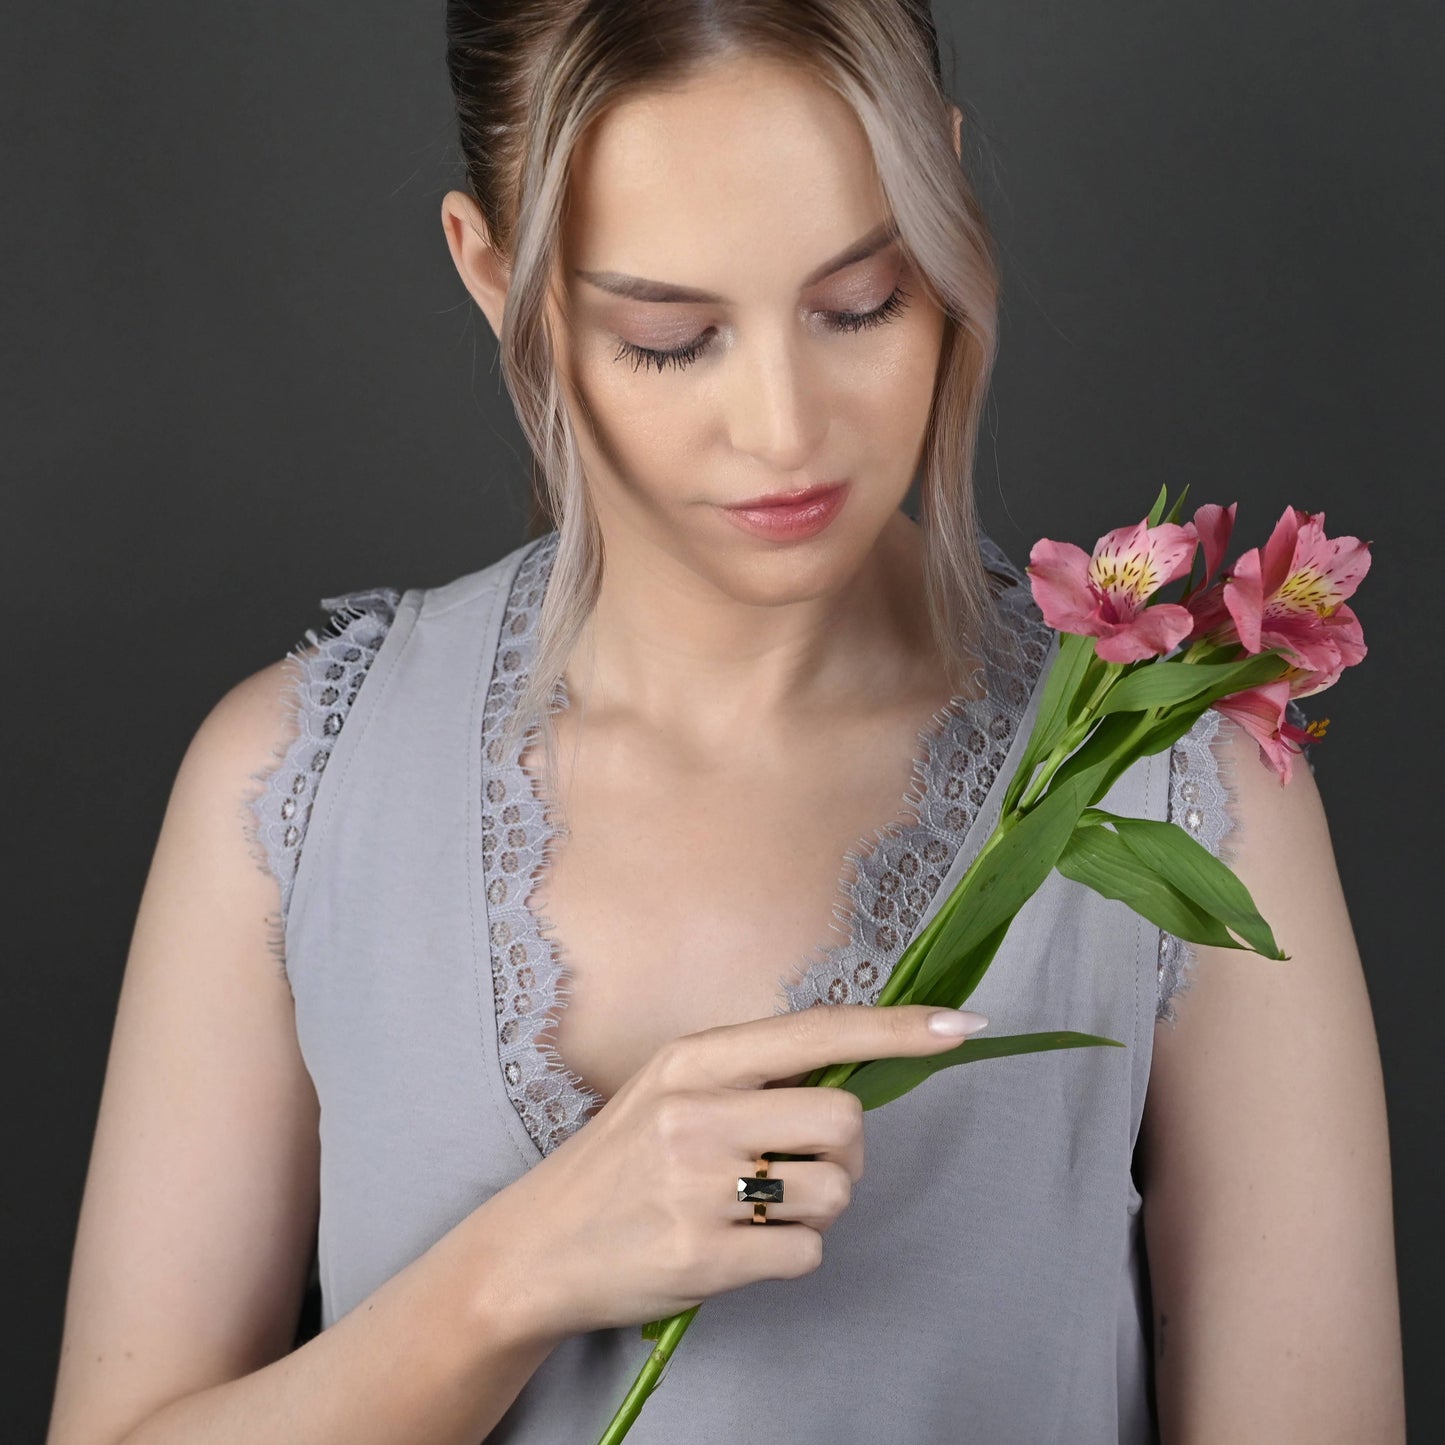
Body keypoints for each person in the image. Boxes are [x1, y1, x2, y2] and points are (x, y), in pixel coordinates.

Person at [46, 3, 1405, 1442]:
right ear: (494, 274)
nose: (781, 426)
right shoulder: (290, 785)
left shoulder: (1181, 783)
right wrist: (512, 1273)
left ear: (942, 203)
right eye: (669, 337)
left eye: (860, 302)